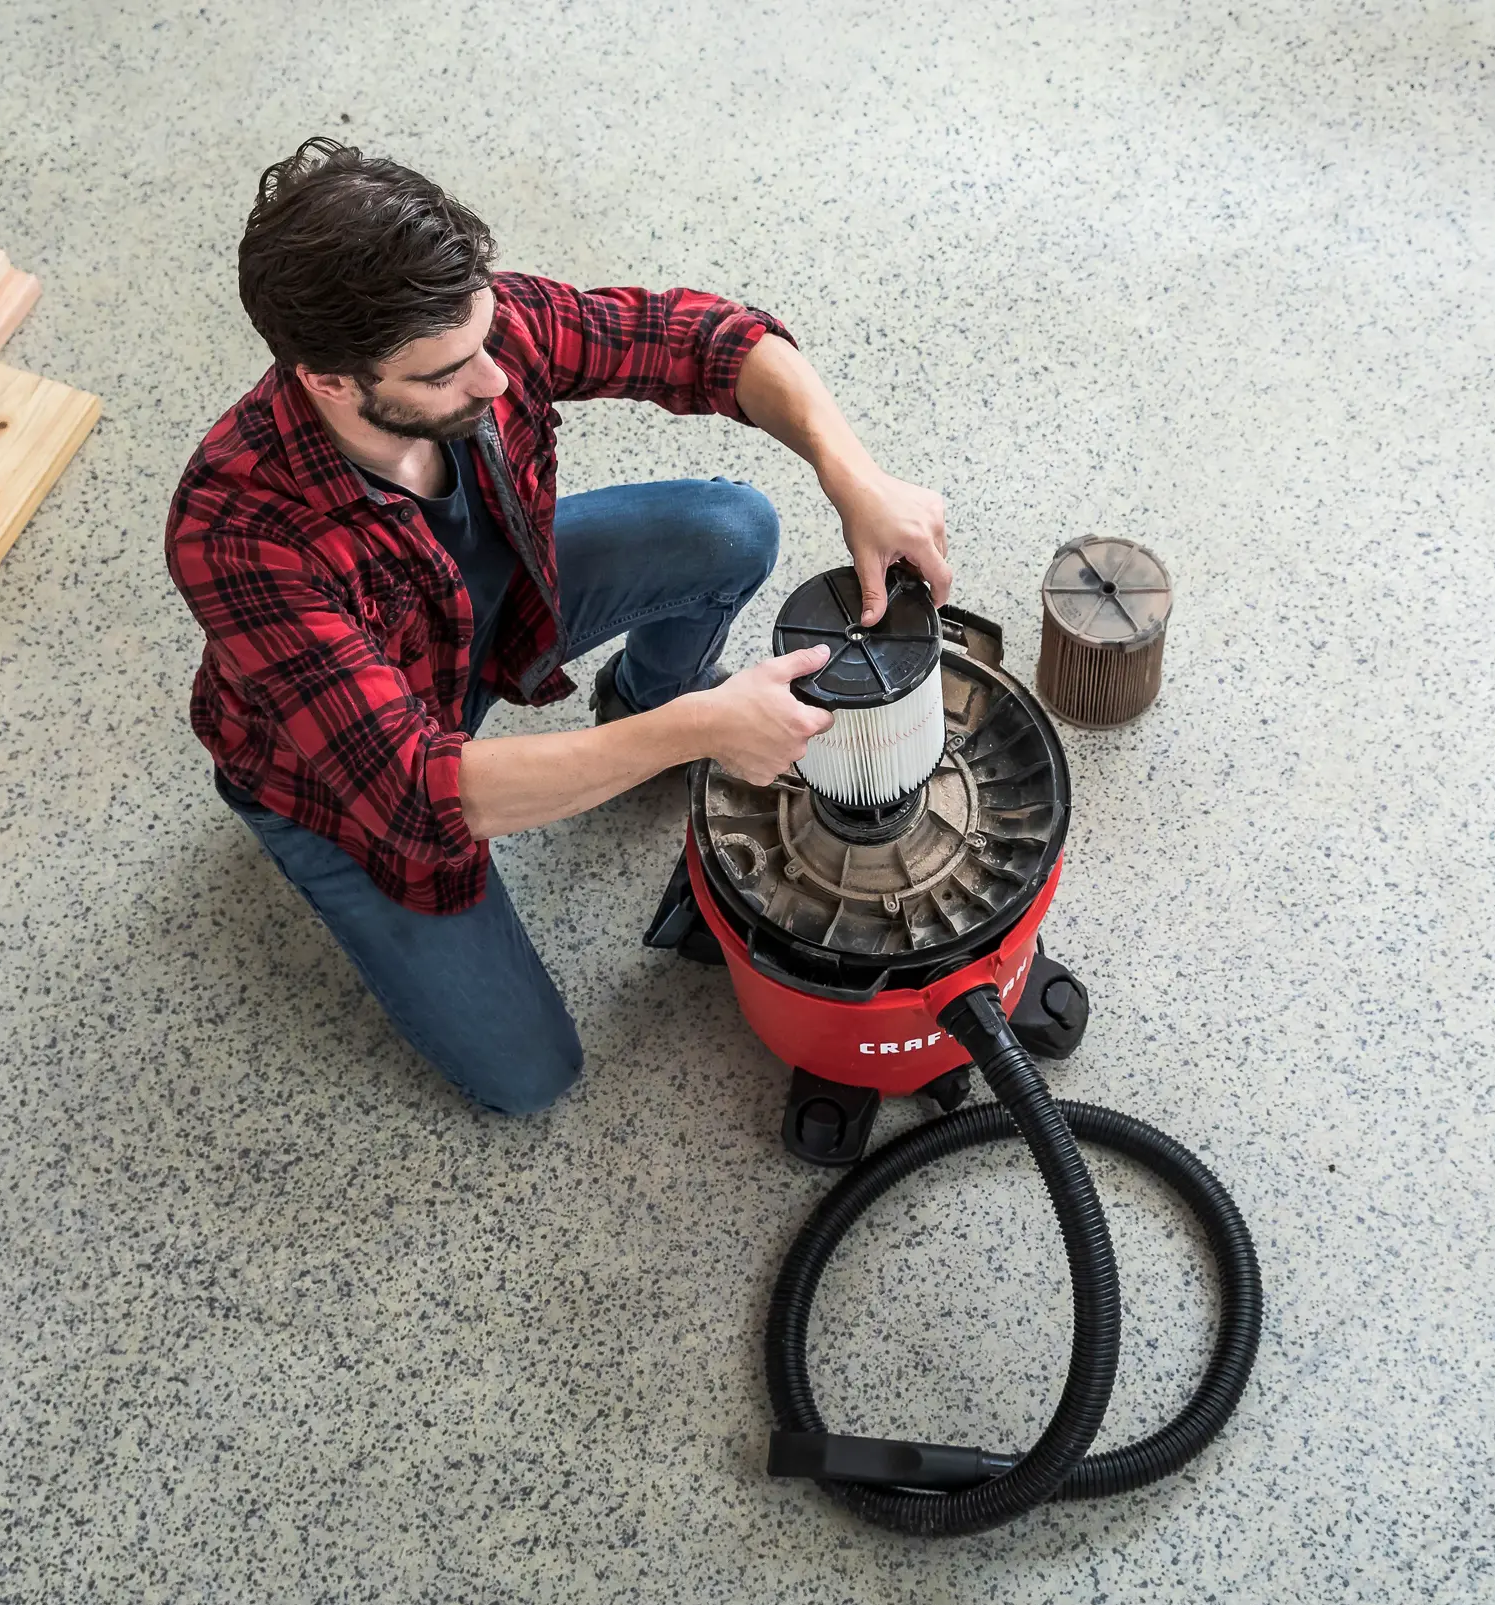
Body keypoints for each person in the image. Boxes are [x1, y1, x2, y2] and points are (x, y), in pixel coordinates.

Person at [166, 137, 950, 1114]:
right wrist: (701, 731)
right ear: (328, 380)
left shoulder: (477, 332)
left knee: (730, 527)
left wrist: (855, 475)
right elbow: (424, 795)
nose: (494, 383)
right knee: (531, 1078)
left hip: (492, 620)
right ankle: (667, 724)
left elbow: (715, 342)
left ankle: (646, 700)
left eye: (487, 337)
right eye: (447, 375)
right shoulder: (237, 528)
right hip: (343, 777)